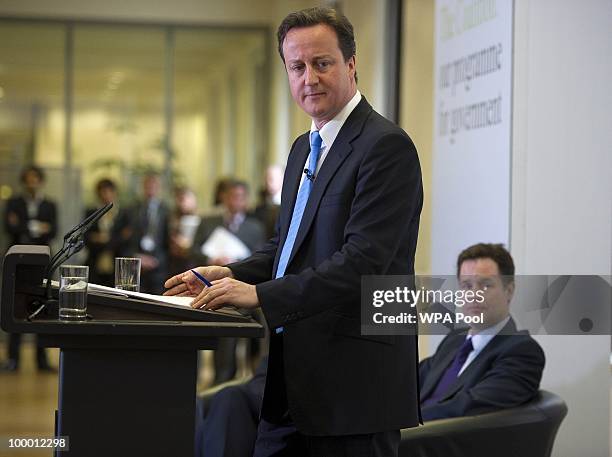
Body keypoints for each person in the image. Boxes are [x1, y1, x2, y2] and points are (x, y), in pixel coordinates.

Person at [165, 7, 423, 456]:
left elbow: (362, 263)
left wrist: (261, 296)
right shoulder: (304, 146)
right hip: (289, 376)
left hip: (353, 388)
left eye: (322, 63)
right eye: (297, 67)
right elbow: (287, 247)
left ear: (351, 63)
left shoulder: (386, 146)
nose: (310, 78)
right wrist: (231, 275)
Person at [419, 243, 545, 421]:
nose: (473, 295)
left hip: (440, 442)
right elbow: (410, 381)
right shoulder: (455, 339)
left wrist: (401, 423)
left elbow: (467, 408)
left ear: (509, 291)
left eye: (485, 285)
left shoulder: (522, 352)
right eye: (466, 286)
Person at [191, 179, 265, 384]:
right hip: (208, 287)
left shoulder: (254, 227)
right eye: (231, 196)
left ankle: (232, 381)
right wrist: (210, 260)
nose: (235, 201)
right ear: (223, 197)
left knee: (234, 339)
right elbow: (193, 249)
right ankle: (213, 381)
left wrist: (236, 264)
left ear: (245, 200)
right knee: (214, 338)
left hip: (241, 290)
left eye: (240, 197)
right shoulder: (208, 222)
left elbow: (261, 257)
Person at [2, 165, 57, 372]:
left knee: (41, 307)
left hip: (41, 261)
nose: (32, 183)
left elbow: (52, 230)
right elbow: (10, 228)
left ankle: (41, 360)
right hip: (17, 260)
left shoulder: (50, 205)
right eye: (28, 179)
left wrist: (24, 225)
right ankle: (12, 359)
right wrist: (37, 227)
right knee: (15, 306)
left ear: (41, 181)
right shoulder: (14, 202)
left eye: (36, 179)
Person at [84, 178, 132, 286]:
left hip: (117, 264)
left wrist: (105, 239)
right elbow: (86, 237)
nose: (106, 195)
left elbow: (126, 238)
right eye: (103, 192)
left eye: (109, 191)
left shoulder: (123, 214)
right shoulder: (91, 212)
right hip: (95, 262)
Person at [128, 173, 170, 294]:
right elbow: (124, 238)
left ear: (159, 188)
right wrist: (135, 256)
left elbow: (167, 241)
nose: (150, 189)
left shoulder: (166, 210)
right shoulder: (132, 209)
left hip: (158, 268)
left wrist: (156, 260)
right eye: (148, 185)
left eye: (154, 186)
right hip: (134, 266)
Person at [168, 186, 201, 277]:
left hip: (194, 264)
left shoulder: (202, 219)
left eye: (186, 199)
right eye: (180, 199)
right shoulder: (171, 219)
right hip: (174, 264)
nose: (183, 203)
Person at [253, 165, 283, 239]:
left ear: (282, 179)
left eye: (271, 179)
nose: (267, 182)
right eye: (266, 179)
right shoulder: (260, 207)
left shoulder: (288, 205)